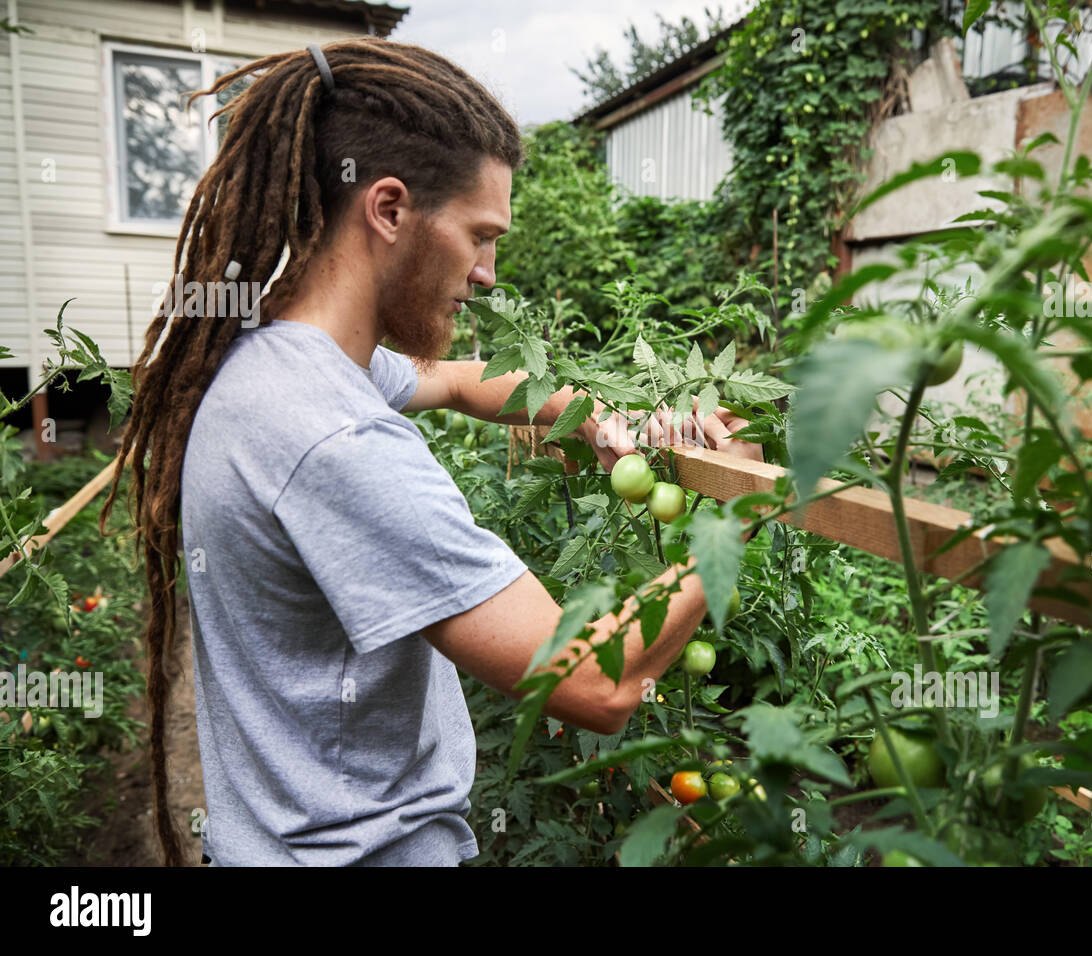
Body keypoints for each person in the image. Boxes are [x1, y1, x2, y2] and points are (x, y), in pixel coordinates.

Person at [102, 38, 762, 867]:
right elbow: (595, 683)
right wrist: (747, 515)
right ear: (387, 209)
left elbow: (454, 380)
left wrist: (596, 419)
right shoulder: (338, 440)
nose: (488, 273)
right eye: (479, 235)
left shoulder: (269, 360)